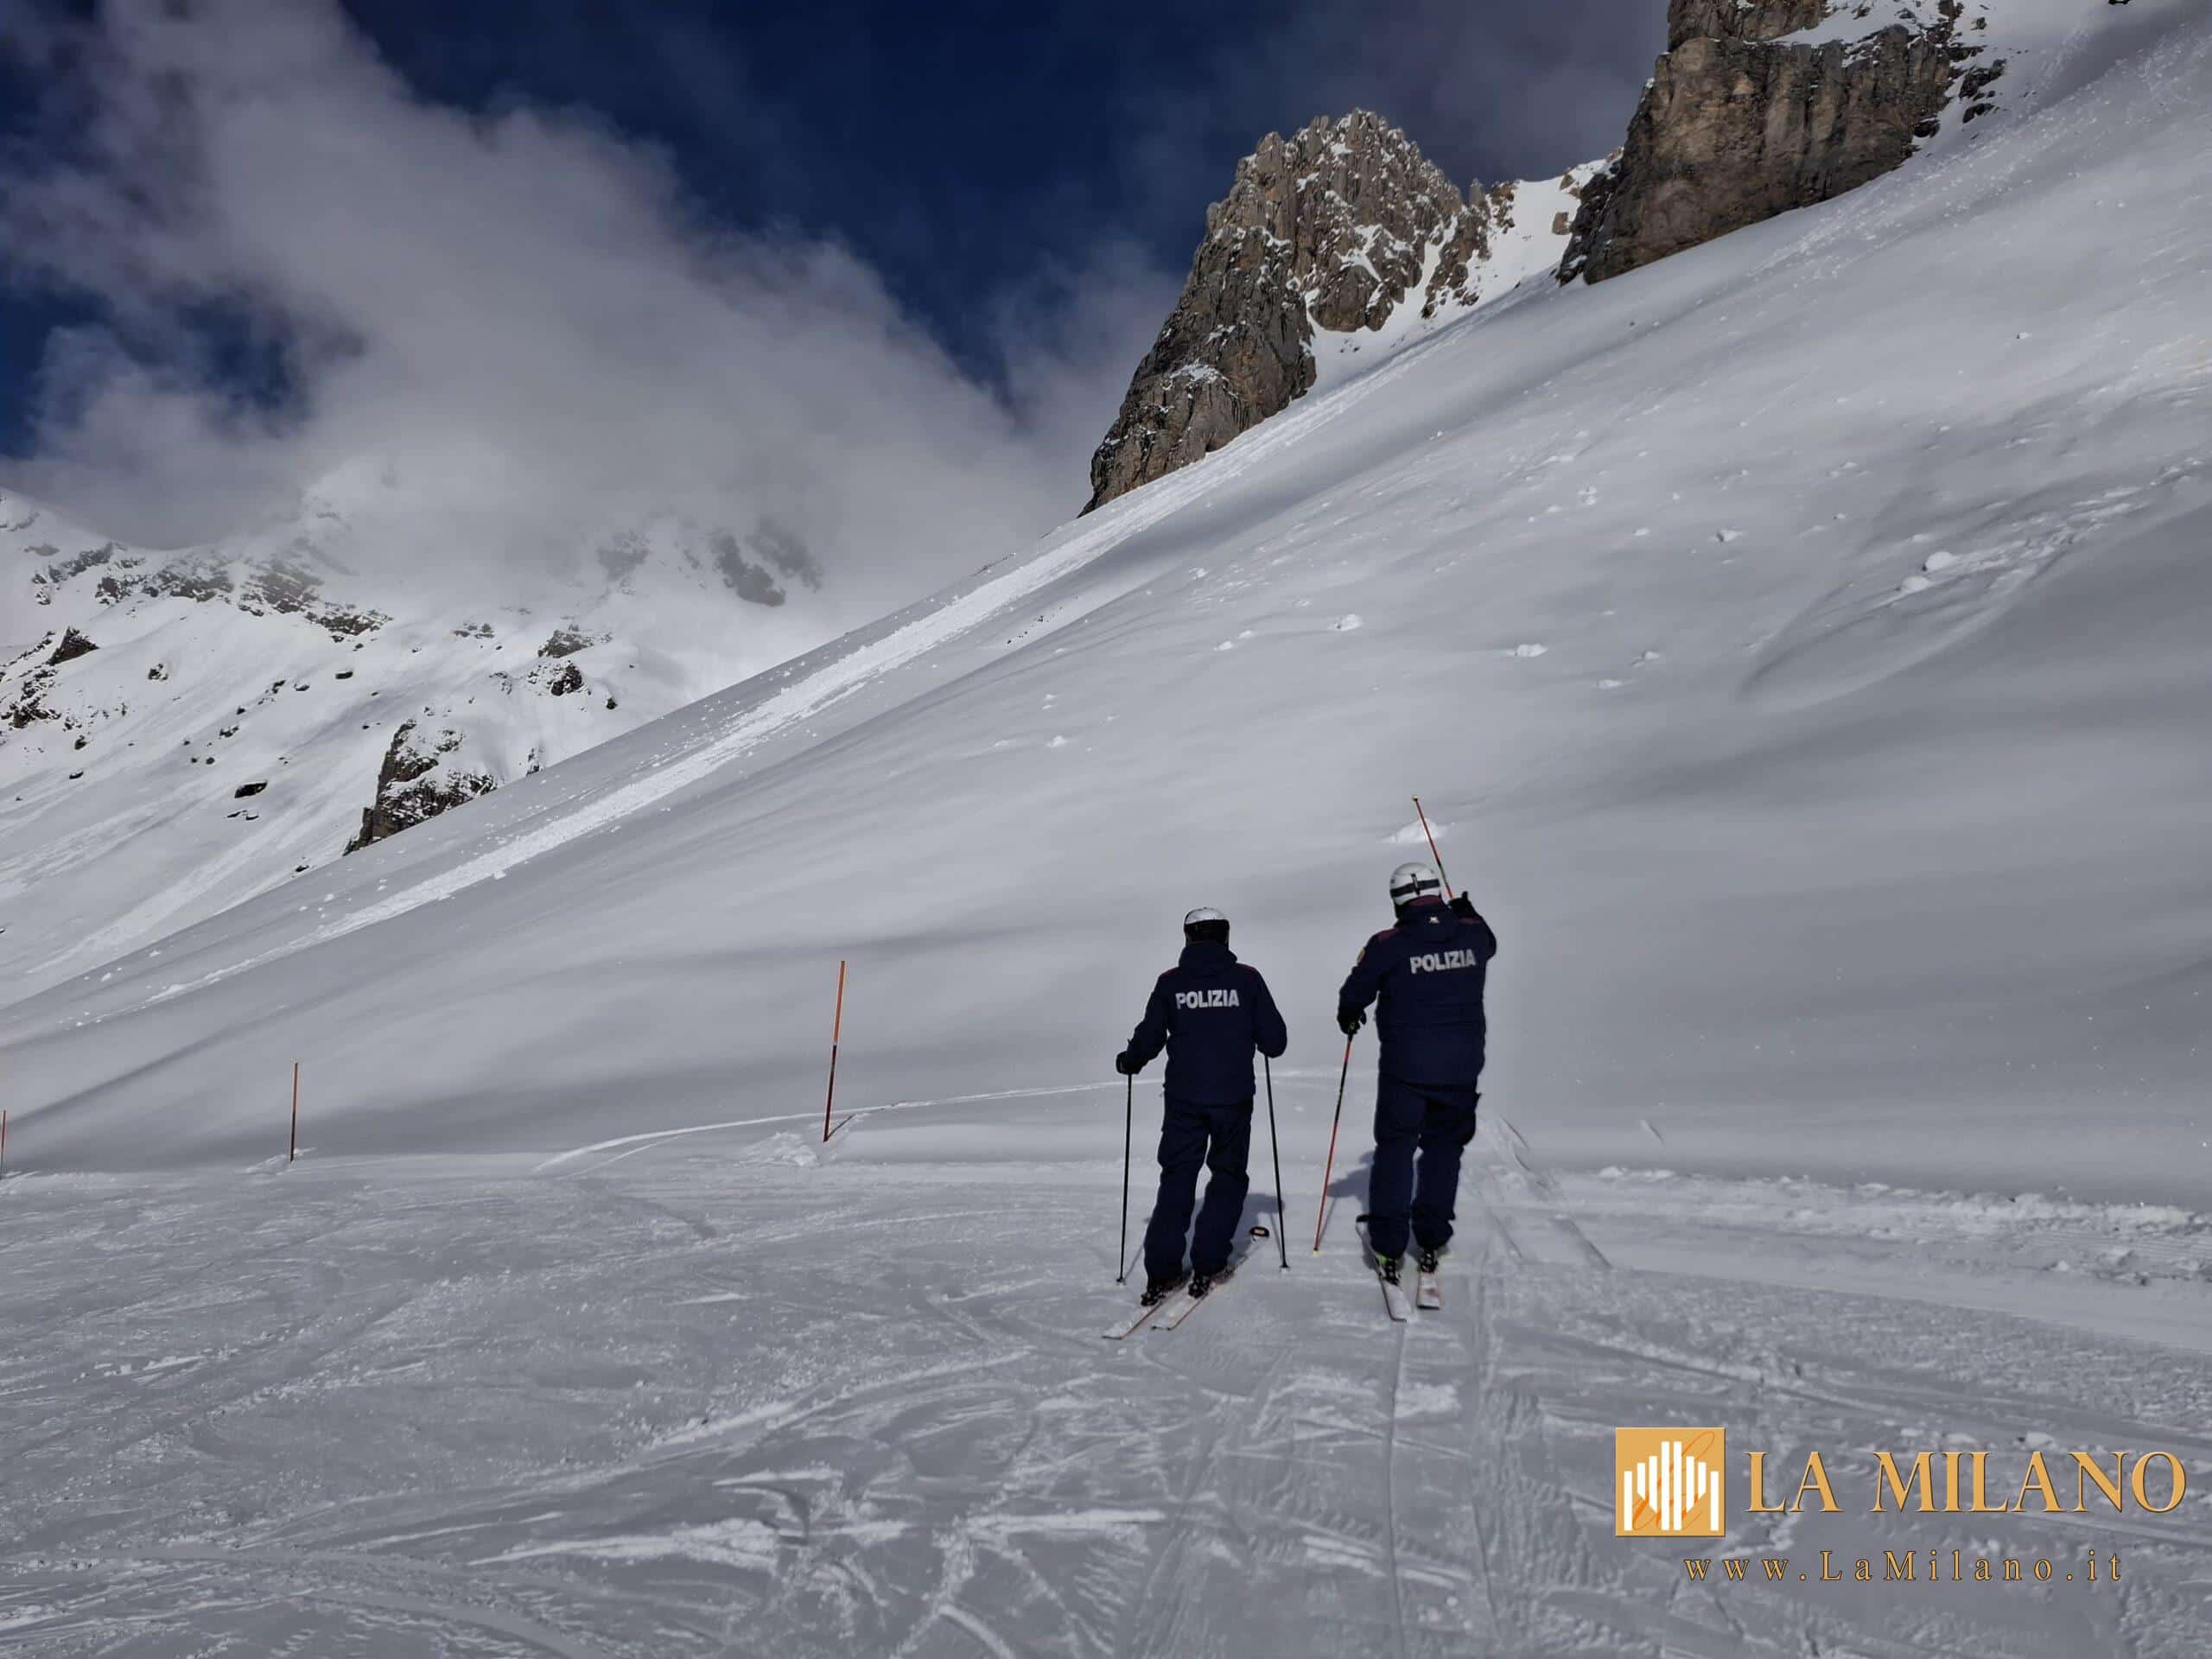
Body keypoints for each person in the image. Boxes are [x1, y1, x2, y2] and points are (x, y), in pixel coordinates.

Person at [1335, 862, 1498, 1282]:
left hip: (1406, 1070)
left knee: (1395, 1151)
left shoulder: (1388, 943)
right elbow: (1488, 941)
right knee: (1444, 1151)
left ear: (1397, 900)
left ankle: (1389, 1246)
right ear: (1436, 893)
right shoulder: (1473, 934)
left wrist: (1349, 1014)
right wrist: (1467, 910)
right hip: (1462, 1067)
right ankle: (1431, 1235)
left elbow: (1355, 993)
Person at [1117, 907, 1288, 1304]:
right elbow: (1275, 1043)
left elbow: (1150, 1035)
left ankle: (1162, 1271)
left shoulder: (1170, 983)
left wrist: (1130, 1060)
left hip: (1183, 1102)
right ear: (1224, 937)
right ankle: (1210, 1262)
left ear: (1188, 937)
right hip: (1233, 1100)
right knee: (1227, 1176)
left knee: (1177, 1179)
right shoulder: (1247, 979)